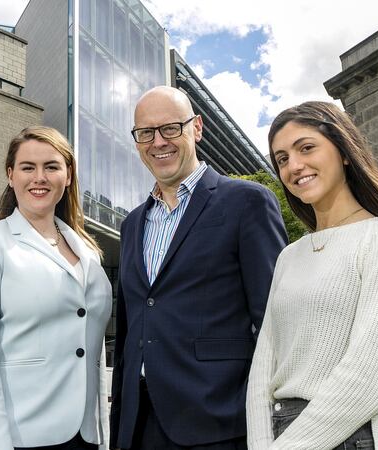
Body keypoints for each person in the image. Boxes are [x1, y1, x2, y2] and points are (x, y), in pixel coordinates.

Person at [246, 101, 378, 449]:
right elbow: (263, 370)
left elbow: (368, 378)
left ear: (345, 152)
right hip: (280, 432)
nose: (294, 166)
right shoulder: (289, 256)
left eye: (306, 148)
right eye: (282, 159)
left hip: (348, 435)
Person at [110, 86, 288, 450]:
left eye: (170, 128)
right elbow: (130, 331)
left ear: (197, 128)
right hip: (138, 425)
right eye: (146, 133)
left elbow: (276, 321)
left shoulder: (247, 202)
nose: (158, 142)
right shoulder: (131, 225)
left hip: (218, 423)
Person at [0, 126, 112, 449]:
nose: (39, 177)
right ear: (11, 175)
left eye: (51, 167)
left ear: (68, 175)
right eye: (28, 167)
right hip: (16, 435)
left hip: (83, 435)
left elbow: (90, 346)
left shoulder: (88, 252)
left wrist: (102, 436)